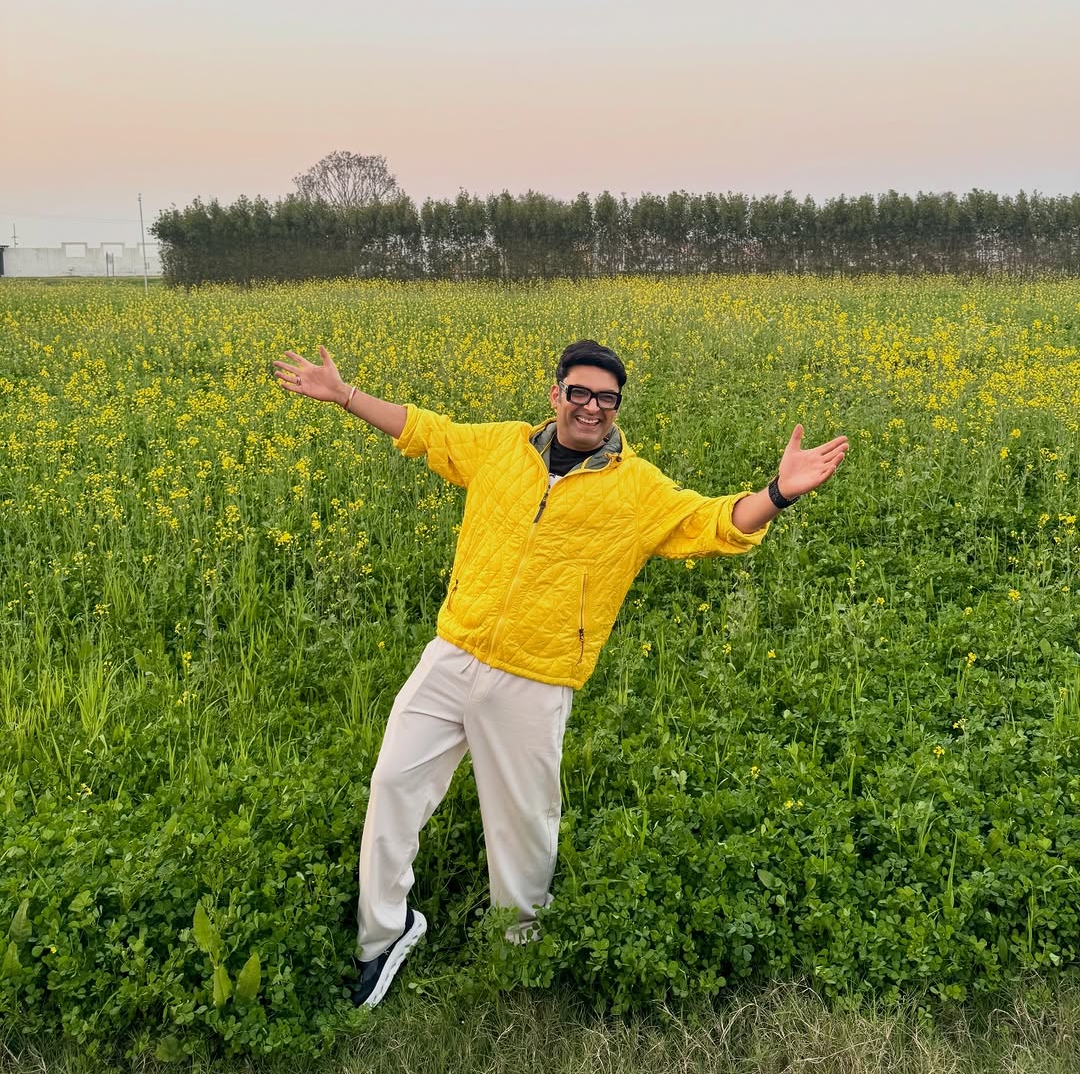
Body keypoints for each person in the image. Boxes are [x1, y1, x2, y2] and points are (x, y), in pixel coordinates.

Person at [273, 338, 847, 1007]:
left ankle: (518, 948)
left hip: (536, 676)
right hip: (453, 651)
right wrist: (344, 395)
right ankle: (383, 934)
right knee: (393, 785)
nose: (592, 407)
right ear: (556, 394)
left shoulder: (637, 488)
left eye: (607, 398)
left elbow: (714, 522)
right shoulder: (502, 447)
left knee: (522, 825)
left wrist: (778, 493)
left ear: (617, 407)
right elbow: (425, 430)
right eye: (580, 392)